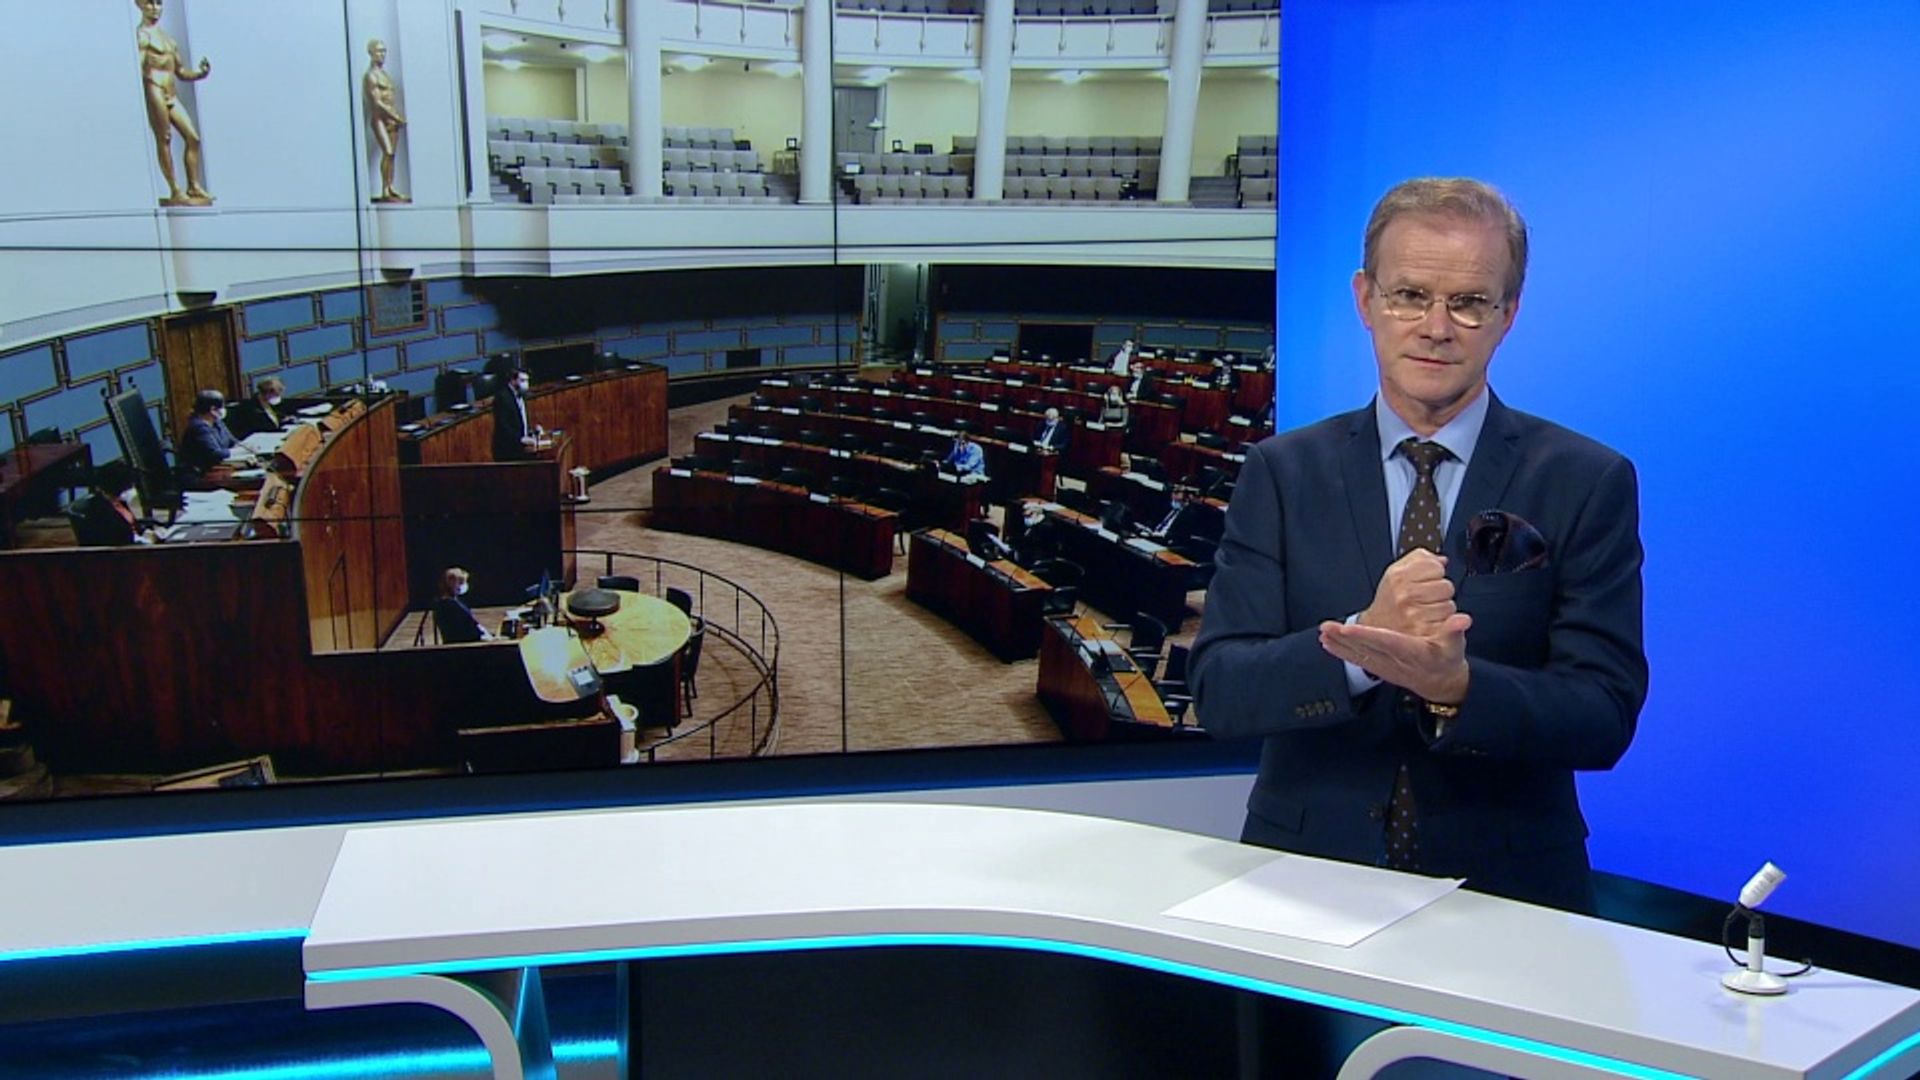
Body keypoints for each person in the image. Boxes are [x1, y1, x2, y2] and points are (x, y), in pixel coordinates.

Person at [1189, 178, 1647, 916]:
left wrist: (1458, 688)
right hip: (1303, 884)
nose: (1437, 327)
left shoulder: (1584, 480)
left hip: (1509, 898)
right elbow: (1221, 690)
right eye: (1409, 295)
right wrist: (1361, 648)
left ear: (1508, 315)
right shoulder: (1281, 472)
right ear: (1365, 300)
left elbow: (1604, 713)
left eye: (1468, 302)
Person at [134, 0, 214, 206]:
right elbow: (136, 68)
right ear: (140, 6)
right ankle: (175, 189)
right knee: (165, 138)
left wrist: (200, 73)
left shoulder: (168, 40)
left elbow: (181, 72)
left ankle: (193, 185)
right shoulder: (141, 36)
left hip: (171, 93)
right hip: (154, 88)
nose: (155, 8)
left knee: (193, 138)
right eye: (150, 4)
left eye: (158, 3)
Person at [363, 39, 409, 203]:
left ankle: (389, 188)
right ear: (371, 53)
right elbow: (377, 102)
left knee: (391, 155)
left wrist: (395, 117)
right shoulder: (371, 76)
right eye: (379, 51)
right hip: (379, 118)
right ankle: (384, 189)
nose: (382, 54)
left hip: (391, 119)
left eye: (384, 51)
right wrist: (396, 116)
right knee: (388, 152)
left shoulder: (385, 75)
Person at [68, 461, 156, 547]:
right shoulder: (99, 509)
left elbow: (133, 526)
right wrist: (145, 540)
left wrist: (145, 532)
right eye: (130, 485)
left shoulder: (120, 502)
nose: (132, 488)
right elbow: (117, 537)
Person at [178, 389, 247, 476]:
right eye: (222, 407)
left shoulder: (217, 422)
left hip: (219, 468)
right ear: (213, 410)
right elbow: (215, 454)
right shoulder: (198, 427)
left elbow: (233, 441)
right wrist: (238, 451)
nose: (223, 410)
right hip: (200, 474)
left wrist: (246, 447)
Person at [432, 567, 493, 644]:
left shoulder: (452, 602)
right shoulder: (447, 604)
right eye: (461, 582)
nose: (463, 585)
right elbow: (462, 628)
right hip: (461, 645)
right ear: (452, 583)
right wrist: (480, 636)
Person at [491, 368, 537, 462]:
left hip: (520, 448)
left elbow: (521, 420)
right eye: (522, 380)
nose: (526, 384)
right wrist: (520, 439)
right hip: (507, 451)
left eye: (527, 380)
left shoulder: (521, 395)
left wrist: (531, 431)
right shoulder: (502, 397)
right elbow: (503, 426)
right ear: (513, 380)